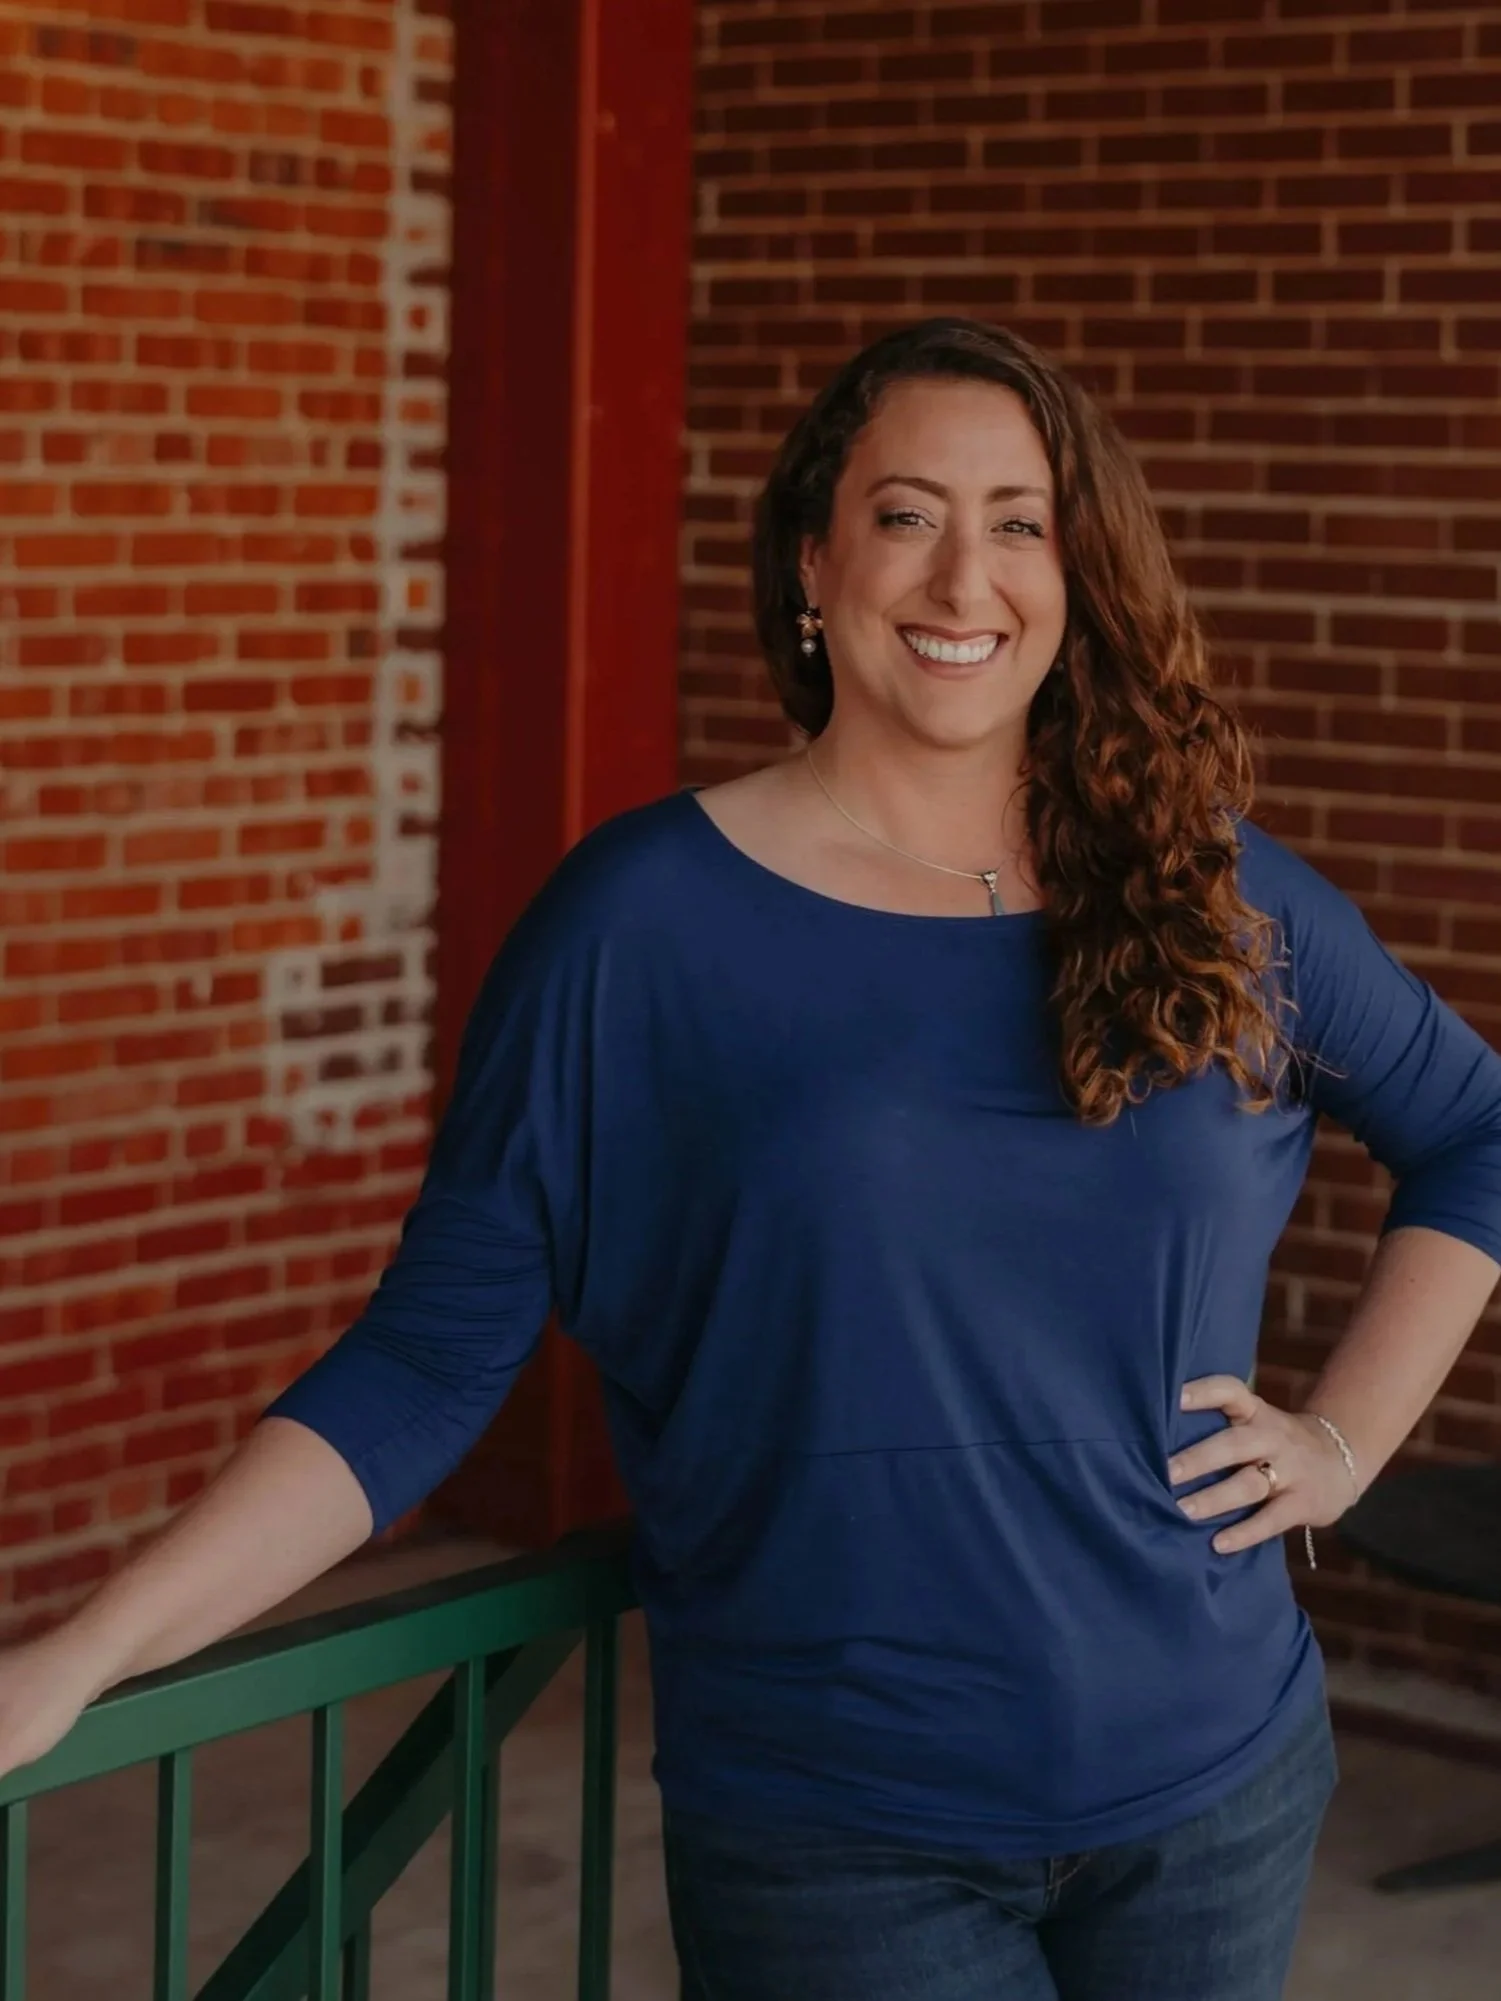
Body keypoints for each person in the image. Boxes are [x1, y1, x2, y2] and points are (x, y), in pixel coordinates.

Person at [3, 318, 1500, 2000]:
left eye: (1019, 522)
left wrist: (1345, 1439)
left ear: (1074, 575)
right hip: (844, 1831)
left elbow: (1475, 1134)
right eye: (906, 513)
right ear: (814, 560)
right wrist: (85, 1653)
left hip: (1219, 1780)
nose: (963, 578)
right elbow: (426, 1361)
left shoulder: (1213, 894)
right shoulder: (640, 925)